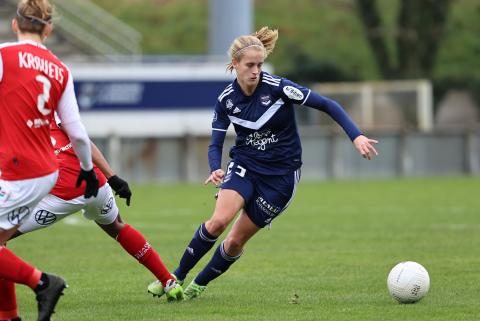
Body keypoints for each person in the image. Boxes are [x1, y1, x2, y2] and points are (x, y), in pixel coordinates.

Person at [147, 26, 379, 300]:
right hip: (245, 166)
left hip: (280, 178)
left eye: (259, 64)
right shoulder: (226, 100)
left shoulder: (279, 88)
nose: (256, 70)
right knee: (218, 221)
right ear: (235, 65)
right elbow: (215, 142)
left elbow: (328, 105)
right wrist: (215, 167)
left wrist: (356, 136)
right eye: (250, 65)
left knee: (234, 241)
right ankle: (174, 277)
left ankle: (199, 284)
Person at [0, 118, 185, 320]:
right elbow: (82, 138)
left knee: (1, 238)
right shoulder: (51, 107)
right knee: (117, 227)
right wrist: (113, 177)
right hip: (95, 183)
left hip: (62, 194)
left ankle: (9, 313)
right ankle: (168, 282)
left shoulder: (14, 119)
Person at [0, 1, 99, 320]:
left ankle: (43, 283)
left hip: (17, 170)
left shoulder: (4, 55)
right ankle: (9, 316)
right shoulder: (60, 69)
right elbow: (78, 133)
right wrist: (88, 170)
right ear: (49, 29)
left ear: (15, 25)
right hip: (45, 171)